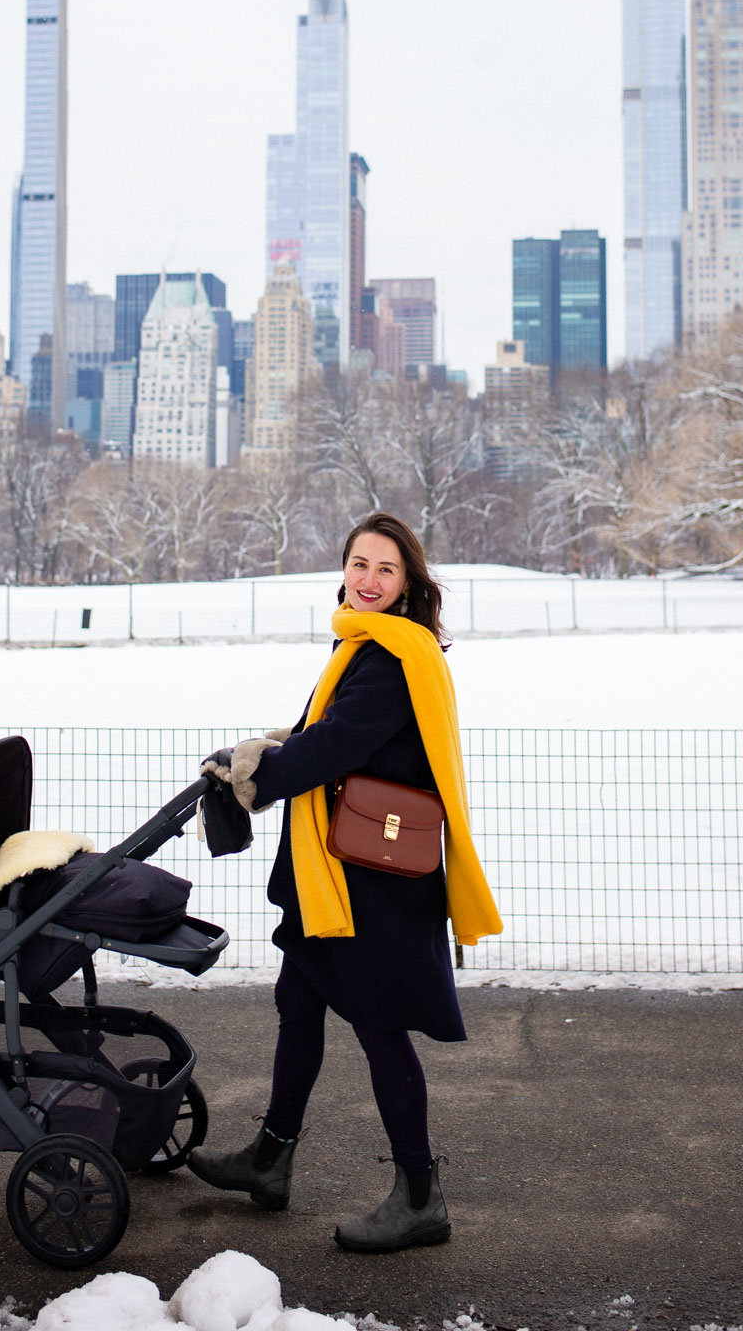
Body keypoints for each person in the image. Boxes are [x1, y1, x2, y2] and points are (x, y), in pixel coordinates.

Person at [189, 511, 502, 1253]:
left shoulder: (399, 656)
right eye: (359, 564)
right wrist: (261, 750)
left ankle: (421, 1195)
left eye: (385, 569)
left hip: (378, 882)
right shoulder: (363, 646)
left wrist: (255, 779)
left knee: (380, 1028)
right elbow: (321, 735)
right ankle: (270, 1160)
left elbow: (336, 745)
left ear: (408, 585)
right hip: (342, 869)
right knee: (299, 1001)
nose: (368, 579)